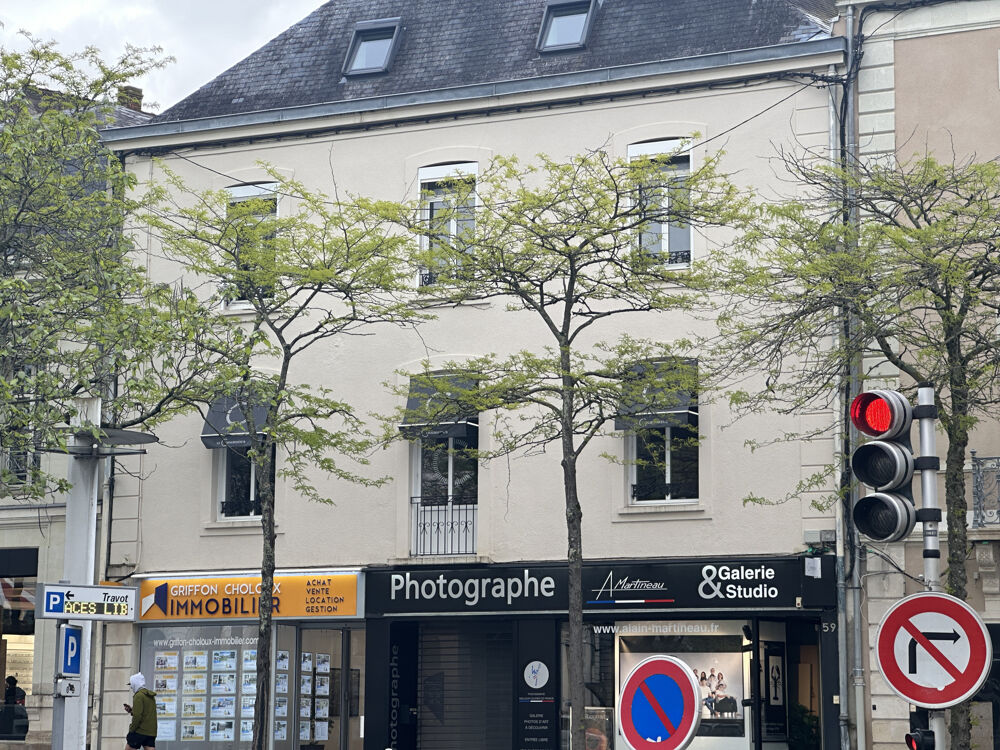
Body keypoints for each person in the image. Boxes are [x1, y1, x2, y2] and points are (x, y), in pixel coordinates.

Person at [124, 673, 157, 749]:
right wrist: (131, 710)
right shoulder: (150, 696)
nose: (131, 687)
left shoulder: (138, 696)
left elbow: (137, 716)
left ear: (135, 683)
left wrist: (131, 730)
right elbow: (146, 713)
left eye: (131, 684)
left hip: (140, 731)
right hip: (151, 732)